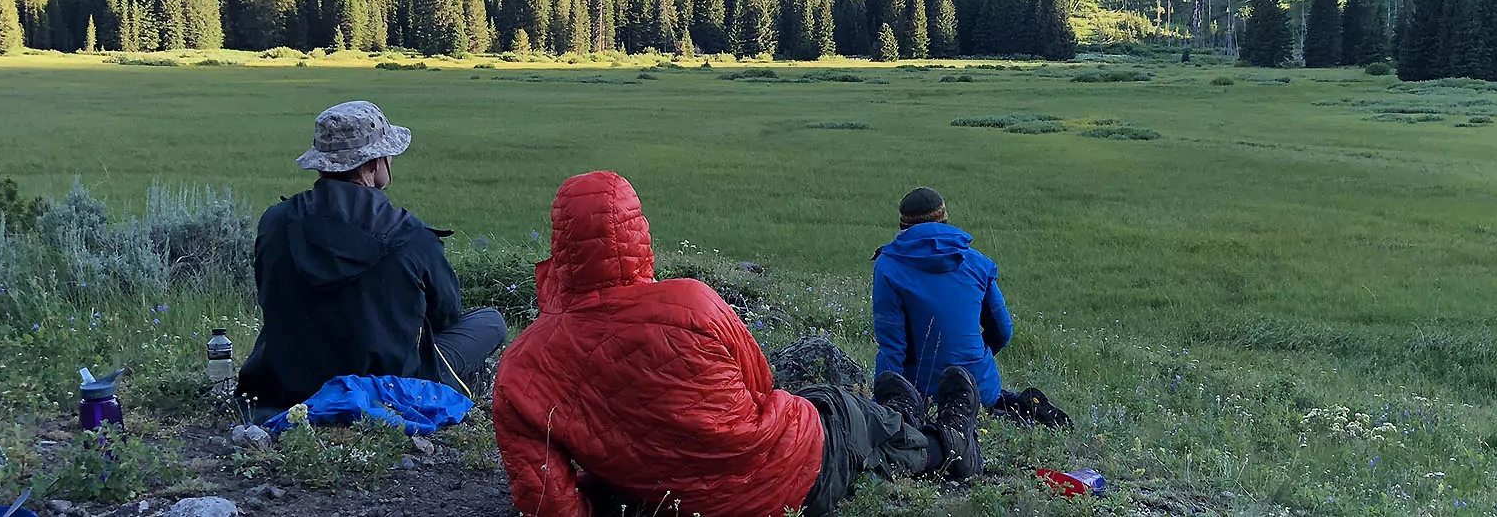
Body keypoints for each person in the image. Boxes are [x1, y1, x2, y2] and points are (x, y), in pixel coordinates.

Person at [493, 171, 982, 517]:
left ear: (560, 249)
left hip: (672, 501)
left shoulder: (520, 370)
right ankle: (948, 446)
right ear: (638, 235)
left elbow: (546, 502)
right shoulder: (692, 302)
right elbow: (760, 384)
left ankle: (902, 416)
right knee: (841, 412)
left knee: (831, 408)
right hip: (786, 479)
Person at [237, 100, 505, 411]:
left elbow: (269, 296)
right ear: (373, 164)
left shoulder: (274, 222)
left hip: (290, 384)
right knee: (491, 321)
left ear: (322, 163)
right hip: (389, 388)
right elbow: (446, 313)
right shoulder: (412, 236)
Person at [872, 187, 1013, 408]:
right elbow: (1003, 331)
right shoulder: (977, 262)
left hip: (925, 394)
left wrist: (882, 405)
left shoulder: (888, 266)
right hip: (981, 391)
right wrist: (972, 362)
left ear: (903, 226)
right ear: (945, 219)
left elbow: (892, 347)